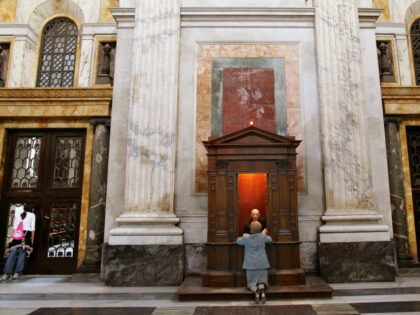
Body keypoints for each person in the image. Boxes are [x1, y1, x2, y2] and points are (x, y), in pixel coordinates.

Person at [237, 220, 272, 304]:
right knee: (262, 281)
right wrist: (263, 234)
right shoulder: (263, 237)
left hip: (250, 264)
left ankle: (256, 291)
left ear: (250, 228)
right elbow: (270, 240)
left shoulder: (246, 238)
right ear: (260, 228)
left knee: (251, 283)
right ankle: (261, 290)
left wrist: (243, 235)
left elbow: (238, 241)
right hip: (262, 263)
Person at [1, 205, 35, 280]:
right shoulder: (32, 215)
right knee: (22, 253)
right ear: (31, 209)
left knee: (12, 252)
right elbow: (32, 228)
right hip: (26, 234)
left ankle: (6, 273)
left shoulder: (18, 213)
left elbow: (14, 227)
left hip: (17, 234)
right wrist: (32, 239)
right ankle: (17, 272)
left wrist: (13, 237)